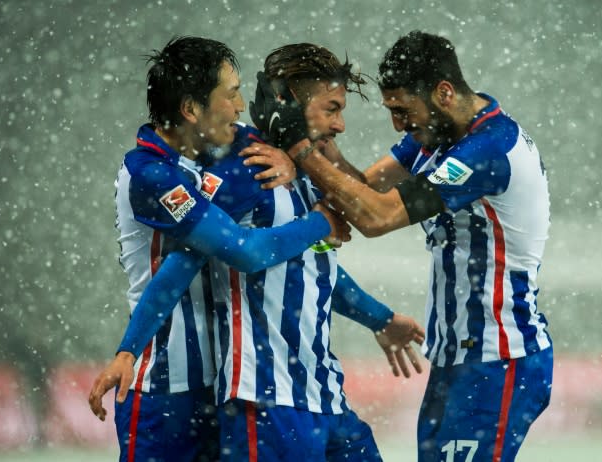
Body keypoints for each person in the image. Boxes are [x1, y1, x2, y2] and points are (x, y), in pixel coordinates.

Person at [90, 40, 425, 461]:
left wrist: (380, 317)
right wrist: (128, 350)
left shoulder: (264, 157)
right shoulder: (164, 172)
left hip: (280, 386)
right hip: (177, 383)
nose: (241, 105)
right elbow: (215, 256)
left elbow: (308, 269)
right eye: (230, 94)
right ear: (192, 109)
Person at [271, 31, 553, 462]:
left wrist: (300, 149)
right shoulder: (443, 129)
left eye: (403, 111)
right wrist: (321, 150)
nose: (399, 125)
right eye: (392, 111)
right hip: (461, 361)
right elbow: (363, 187)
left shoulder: (488, 149)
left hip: (498, 359)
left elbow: (376, 216)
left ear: (443, 92)